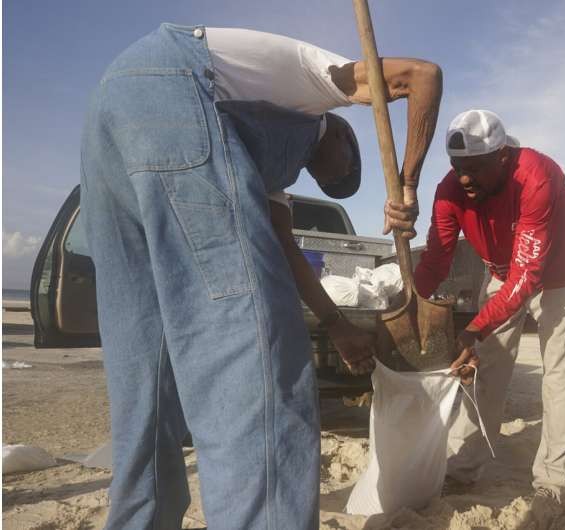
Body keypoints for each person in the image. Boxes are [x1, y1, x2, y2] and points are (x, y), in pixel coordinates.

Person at [80, 24, 441, 529]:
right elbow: (422, 77)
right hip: (176, 86)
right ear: (340, 131)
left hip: (110, 110)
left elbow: (283, 250)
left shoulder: (263, 160)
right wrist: (408, 184)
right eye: (336, 172)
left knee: (148, 371)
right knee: (256, 360)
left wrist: (336, 325)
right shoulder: (317, 84)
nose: (325, 177)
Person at [408, 109, 565, 500]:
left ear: (502, 157)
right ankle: (463, 467)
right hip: (506, 270)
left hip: (559, 273)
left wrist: (474, 329)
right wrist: (411, 302)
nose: (466, 178)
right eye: (458, 167)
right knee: (484, 371)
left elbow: (529, 275)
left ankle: (557, 479)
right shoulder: (450, 190)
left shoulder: (535, 176)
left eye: (476, 167)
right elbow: (438, 259)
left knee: (556, 372)